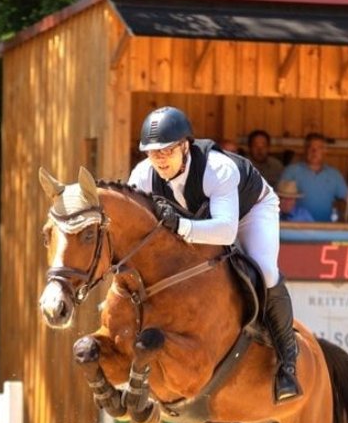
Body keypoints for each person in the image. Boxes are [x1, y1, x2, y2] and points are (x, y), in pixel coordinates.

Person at [127, 106, 301, 402]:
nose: (159, 160)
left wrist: (180, 226)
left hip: (248, 213)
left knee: (266, 271)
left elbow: (225, 232)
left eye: (167, 151)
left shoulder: (217, 168)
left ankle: (287, 363)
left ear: (185, 145)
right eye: (153, 153)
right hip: (195, 219)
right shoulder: (142, 176)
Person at [279, 132, 348, 222]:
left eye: (319, 148)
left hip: (326, 229)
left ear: (325, 151)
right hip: (297, 228)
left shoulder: (334, 174)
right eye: (310, 147)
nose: (314, 151)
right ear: (305, 150)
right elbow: (279, 197)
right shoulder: (291, 171)